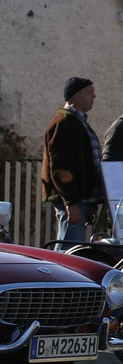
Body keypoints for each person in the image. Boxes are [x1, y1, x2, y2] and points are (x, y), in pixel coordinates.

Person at [42, 76, 106, 249]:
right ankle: (62, 277)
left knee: (74, 247)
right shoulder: (64, 122)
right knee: (68, 249)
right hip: (72, 199)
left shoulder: (77, 121)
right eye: (90, 92)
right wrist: (71, 202)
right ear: (77, 95)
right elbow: (61, 166)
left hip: (79, 198)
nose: (94, 96)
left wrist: (90, 201)